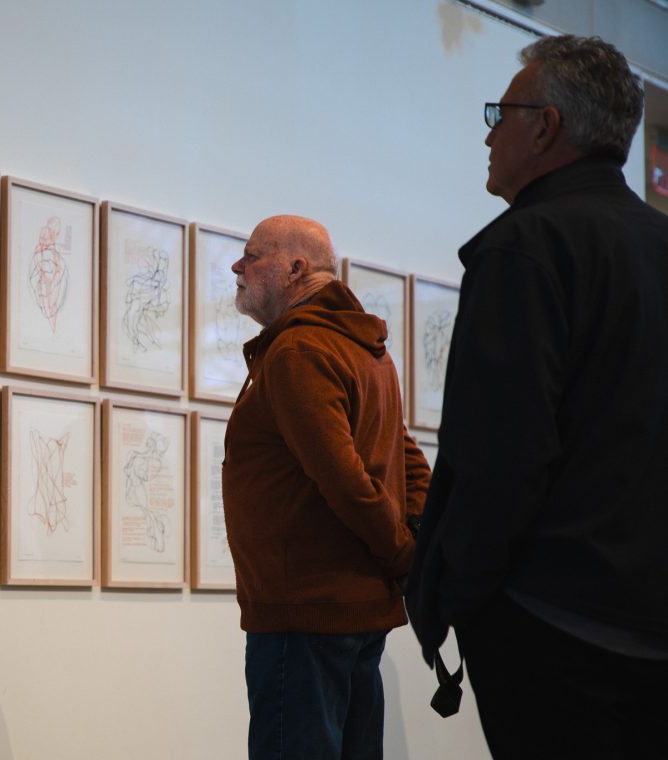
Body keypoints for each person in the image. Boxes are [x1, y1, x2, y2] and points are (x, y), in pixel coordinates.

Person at [405, 34, 668, 759]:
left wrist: (463, 594)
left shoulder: (525, 247)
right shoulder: (655, 243)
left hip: (552, 626)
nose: (490, 132)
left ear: (546, 126)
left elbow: (500, 454)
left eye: (502, 112)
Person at [223, 214, 430, 760]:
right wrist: (411, 549)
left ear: (294, 269)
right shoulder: (365, 350)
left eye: (251, 256)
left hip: (304, 615)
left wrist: (404, 555)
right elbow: (410, 463)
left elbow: (346, 482)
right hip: (351, 613)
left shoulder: (299, 352)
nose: (236, 267)